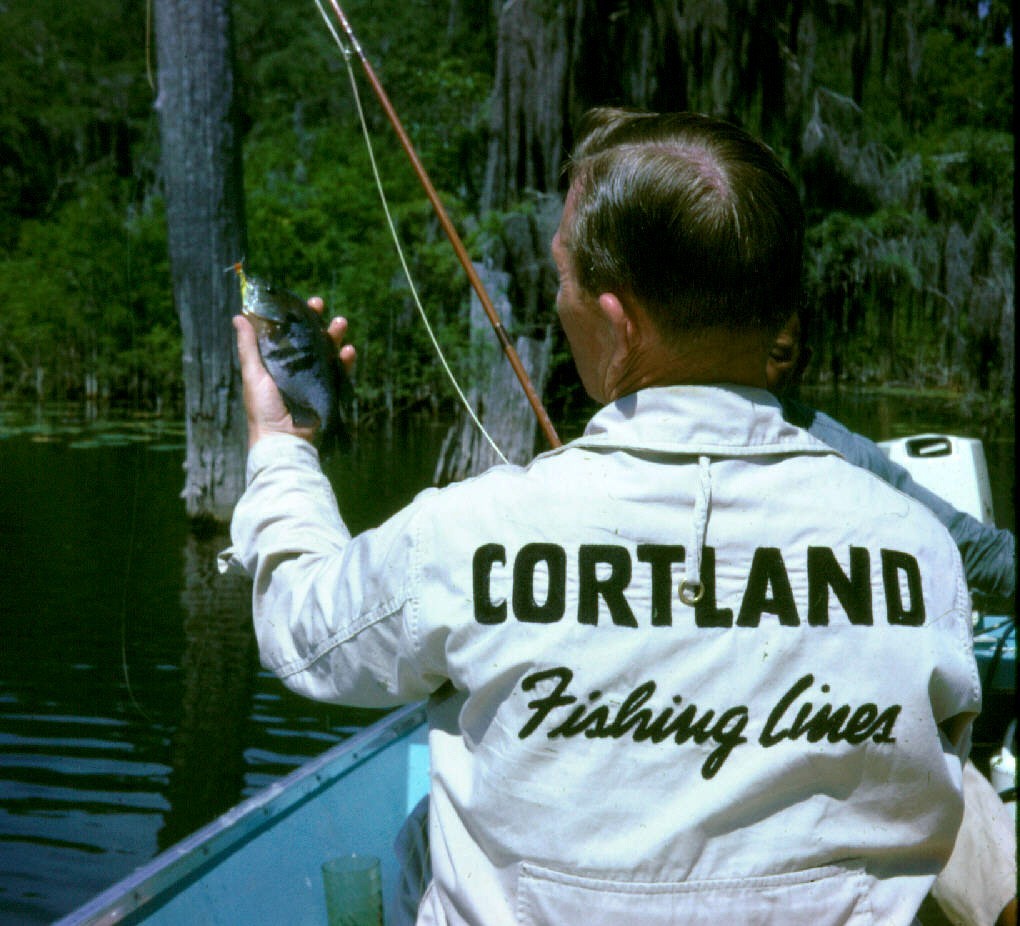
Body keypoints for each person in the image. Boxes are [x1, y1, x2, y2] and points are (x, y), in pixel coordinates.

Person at [223, 108, 980, 925]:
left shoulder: (468, 533)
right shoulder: (921, 555)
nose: (558, 304)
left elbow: (305, 629)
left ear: (618, 324)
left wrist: (283, 445)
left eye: (563, 278)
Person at [767, 312, 1017, 926]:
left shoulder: (844, 452)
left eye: (782, 349)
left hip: (847, 725)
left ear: (801, 357)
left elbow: (976, 549)